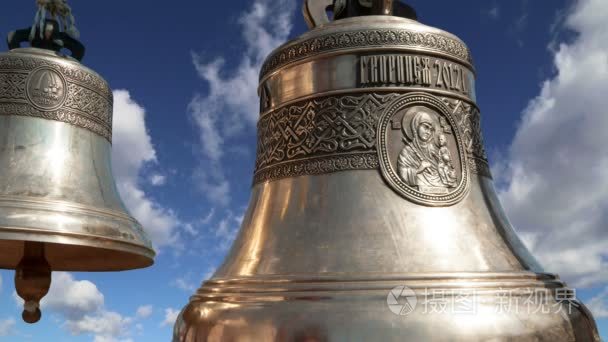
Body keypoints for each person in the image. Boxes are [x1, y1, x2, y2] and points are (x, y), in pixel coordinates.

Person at [397, 108, 455, 194]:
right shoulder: (407, 151)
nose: (428, 132)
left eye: (431, 129)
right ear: (416, 126)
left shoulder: (434, 150)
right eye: (425, 127)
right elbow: (403, 172)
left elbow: (443, 168)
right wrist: (419, 170)